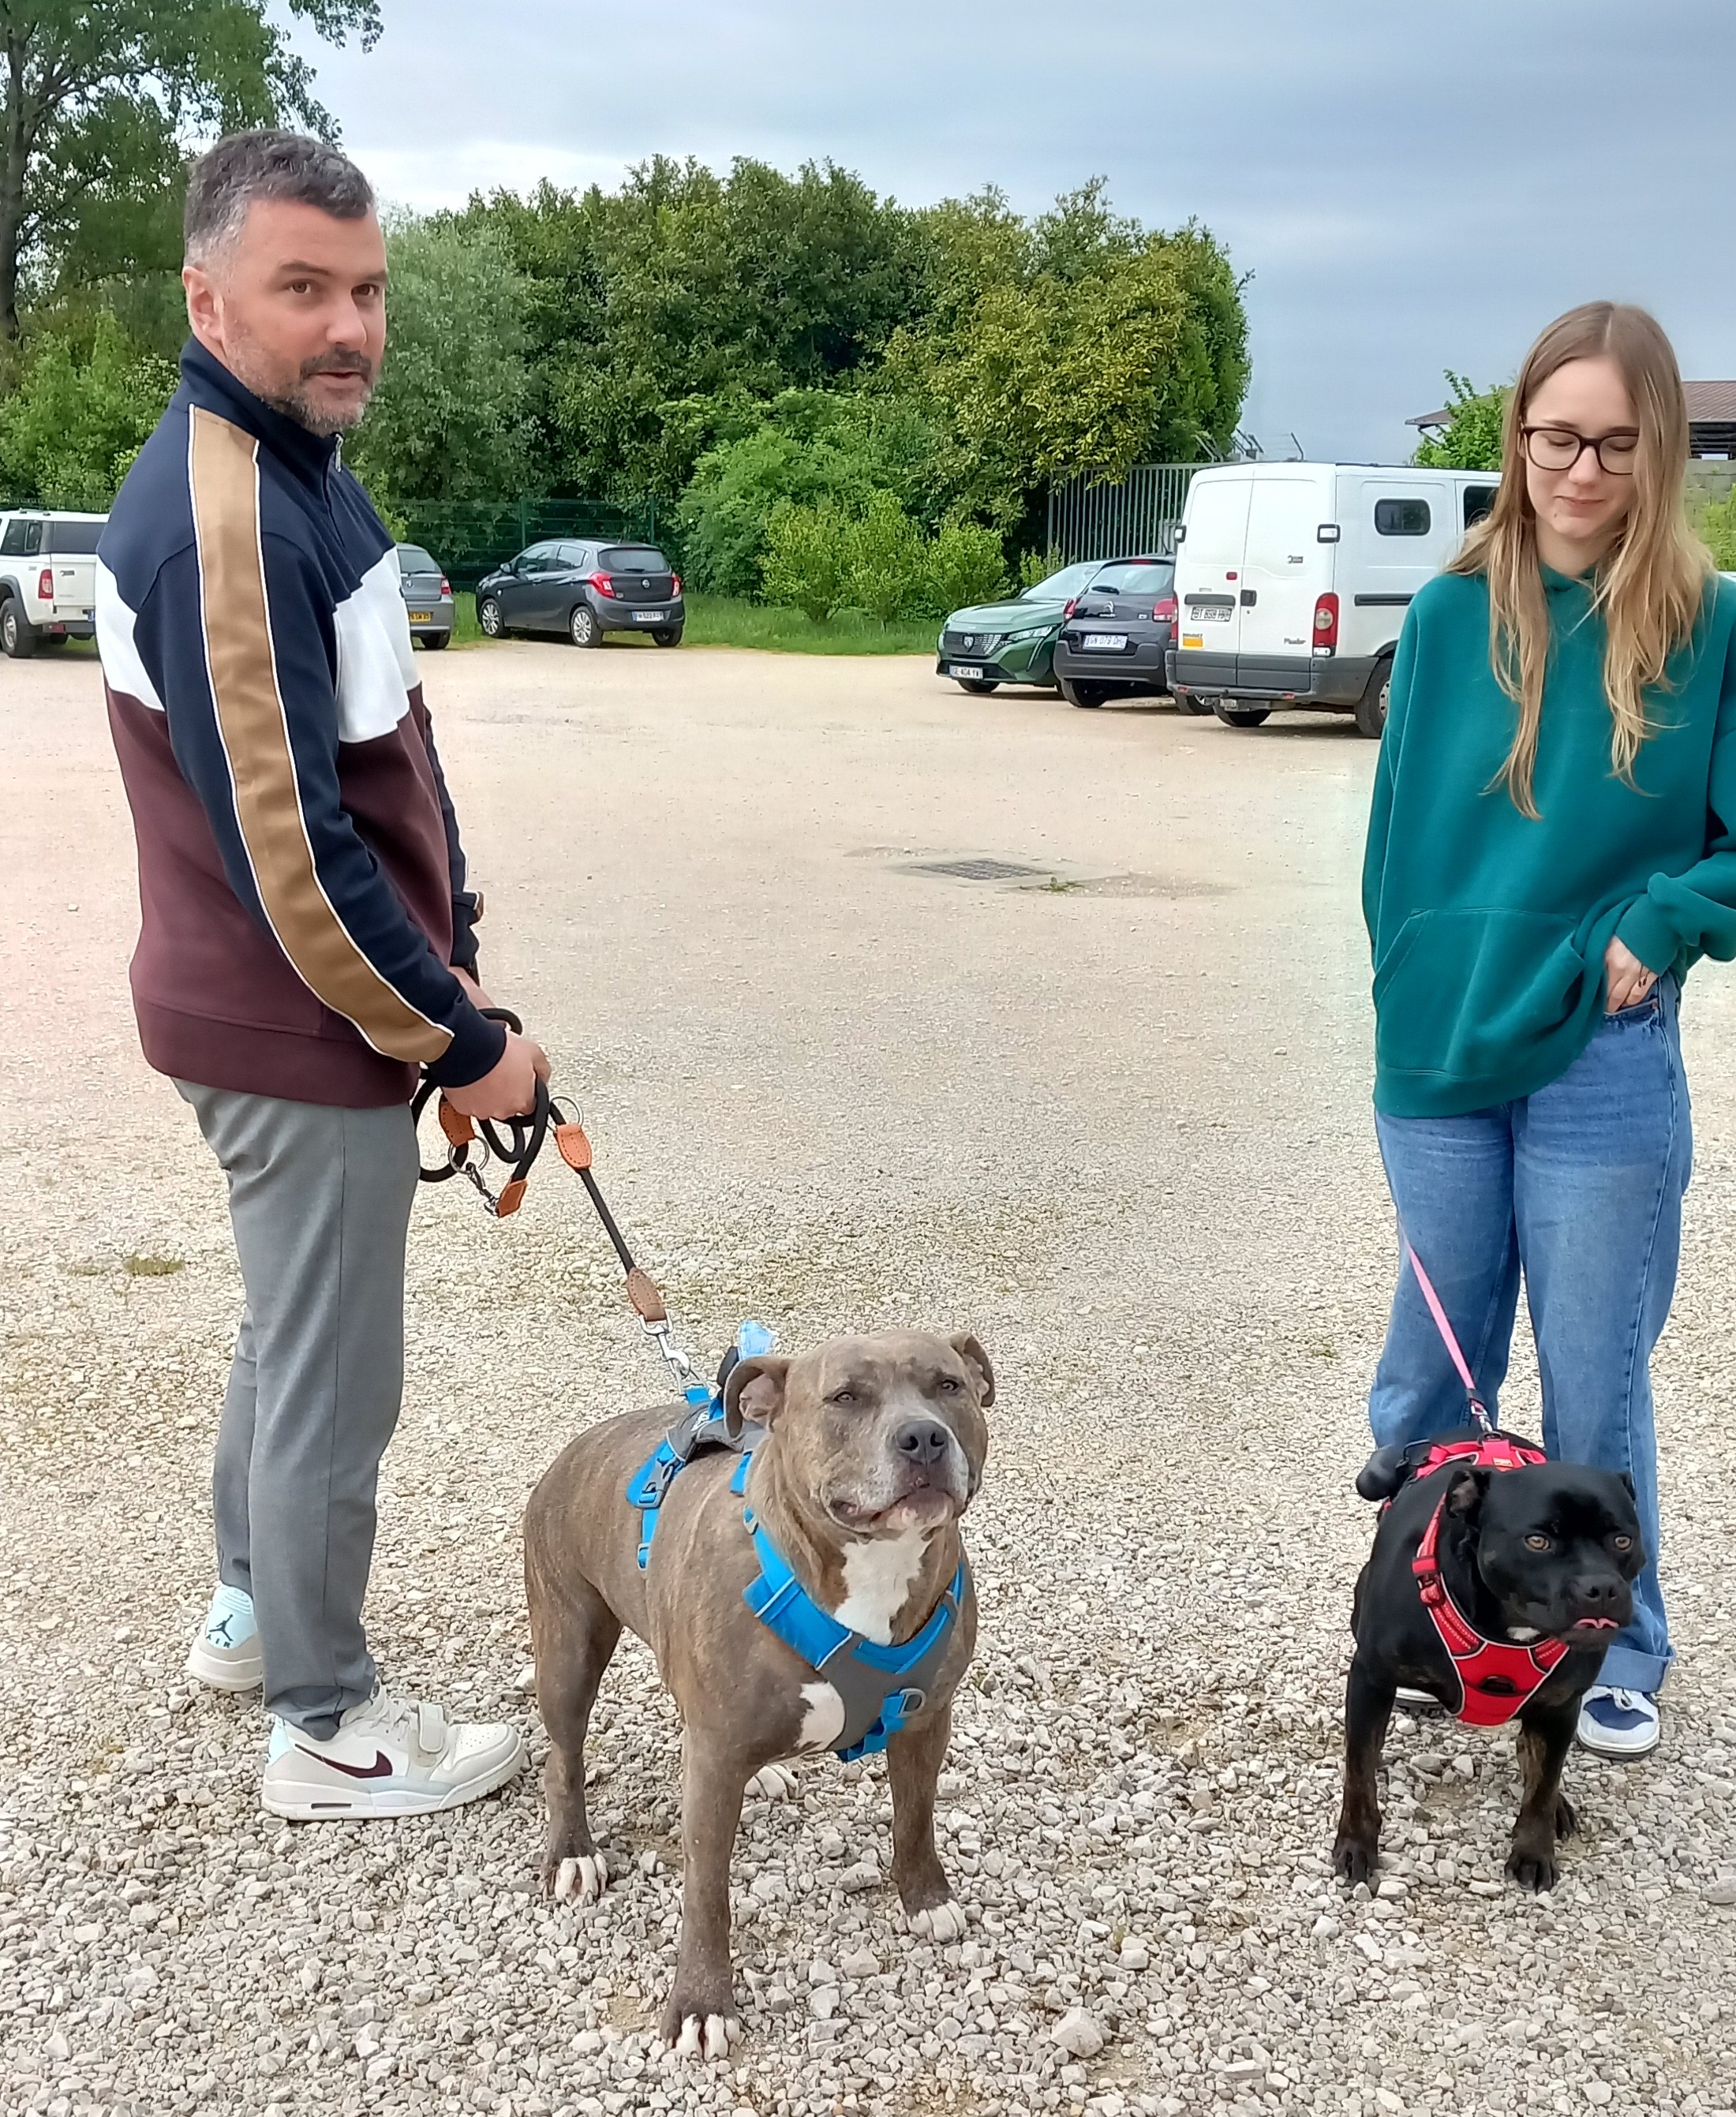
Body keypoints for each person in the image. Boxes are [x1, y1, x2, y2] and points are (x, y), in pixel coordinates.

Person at [98, 131, 549, 1818]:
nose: (348, 325)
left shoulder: (289, 459)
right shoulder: (229, 509)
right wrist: (459, 1042)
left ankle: (247, 1612)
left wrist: (456, 958)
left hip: (293, 1015)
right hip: (297, 1029)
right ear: (207, 294)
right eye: (304, 290)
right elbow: (291, 853)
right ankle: (328, 1718)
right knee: (333, 1380)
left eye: (365, 289)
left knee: (288, 1344)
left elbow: (373, 764)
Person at [1363, 301, 1736, 1761]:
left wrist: (1669, 917)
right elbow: (1397, 850)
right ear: (1518, 439)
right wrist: (1400, 995)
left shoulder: (1710, 624)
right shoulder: (1456, 614)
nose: (1580, 470)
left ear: (1661, 452)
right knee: (1438, 1381)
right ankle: (1432, 1619)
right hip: (1441, 1052)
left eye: (1615, 444)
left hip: (1603, 1054)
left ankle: (1618, 1641)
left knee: (1594, 1372)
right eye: (1554, 437)